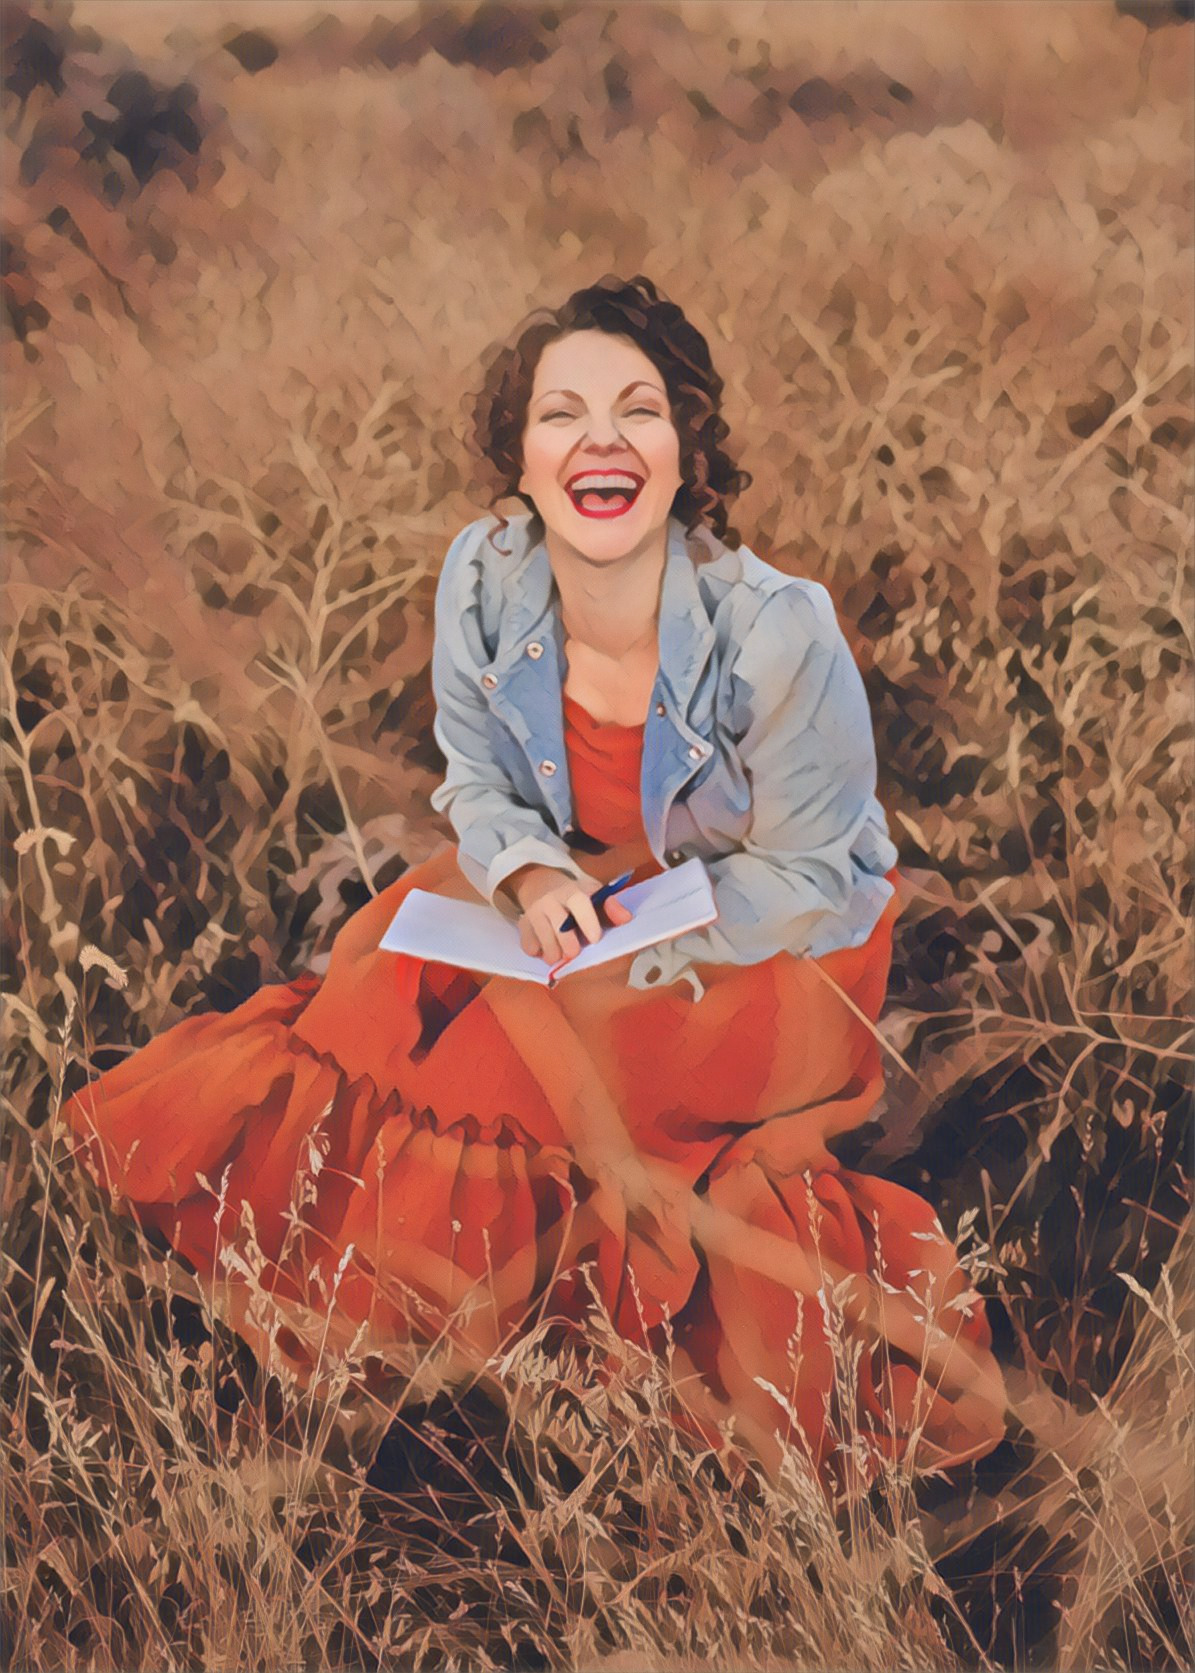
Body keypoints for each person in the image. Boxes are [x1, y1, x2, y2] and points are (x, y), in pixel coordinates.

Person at [64, 274, 1006, 1489]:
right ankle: (372, 1329)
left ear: (686, 449)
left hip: (757, 937)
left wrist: (643, 943)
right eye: (562, 412)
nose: (600, 439)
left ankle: (505, 1352)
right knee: (384, 979)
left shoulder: (777, 627)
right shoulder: (484, 576)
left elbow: (817, 873)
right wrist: (531, 869)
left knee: (523, 1064)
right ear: (519, 450)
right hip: (590, 892)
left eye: (639, 410)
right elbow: (479, 782)